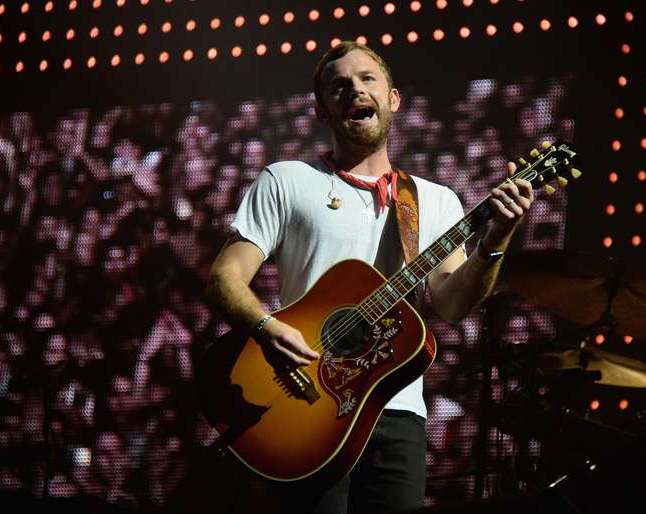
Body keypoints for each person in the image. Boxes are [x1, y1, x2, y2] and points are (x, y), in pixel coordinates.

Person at [205, 41, 534, 514]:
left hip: (397, 414)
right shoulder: (287, 181)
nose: (354, 90)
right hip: (307, 408)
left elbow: (452, 303)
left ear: (393, 98)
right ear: (323, 111)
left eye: (366, 79)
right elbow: (225, 278)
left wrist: (495, 239)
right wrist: (266, 327)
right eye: (339, 86)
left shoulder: (436, 202)